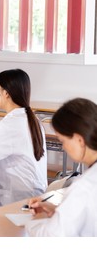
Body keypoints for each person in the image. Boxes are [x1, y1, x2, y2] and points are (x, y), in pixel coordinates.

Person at [0, 69, 47, 212]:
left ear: (5, 93)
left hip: (16, 203)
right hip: (33, 196)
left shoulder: (10, 125)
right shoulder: (32, 120)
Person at [25, 98, 97, 236]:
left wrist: (30, 224)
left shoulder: (84, 186)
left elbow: (53, 236)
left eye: (63, 141)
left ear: (79, 140)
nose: (63, 147)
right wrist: (59, 211)